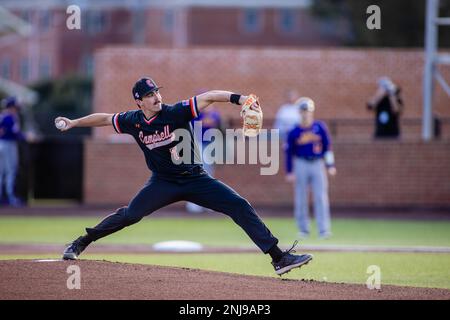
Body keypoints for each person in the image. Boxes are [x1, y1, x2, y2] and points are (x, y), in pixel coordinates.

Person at [56, 77, 313, 276]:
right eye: (149, 95)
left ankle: (279, 258)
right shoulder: (133, 120)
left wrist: (240, 98)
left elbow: (210, 96)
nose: (156, 97)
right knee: (131, 214)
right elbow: (104, 118)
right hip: (163, 182)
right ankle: (81, 242)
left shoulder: (175, 112)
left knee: (238, 205)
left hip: (195, 179)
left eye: (156, 91)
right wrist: (74, 123)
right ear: (139, 102)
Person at [285, 97, 336, 239]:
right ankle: (303, 229)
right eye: (302, 111)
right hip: (301, 163)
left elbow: (328, 148)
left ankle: (324, 229)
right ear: (299, 112)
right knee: (301, 197)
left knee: (320, 197)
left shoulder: (320, 127)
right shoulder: (294, 131)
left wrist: (330, 165)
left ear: (311, 112)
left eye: (307, 111)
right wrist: (289, 171)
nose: (305, 113)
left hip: (317, 163)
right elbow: (288, 153)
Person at [185, 104, 222, 213]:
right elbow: (203, 122)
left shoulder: (214, 113)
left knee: (208, 175)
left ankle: (208, 203)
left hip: (210, 146)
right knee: (196, 174)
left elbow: (216, 121)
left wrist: (209, 114)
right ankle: (194, 204)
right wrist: (206, 115)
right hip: (197, 146)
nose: (206, 106)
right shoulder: (194, 115)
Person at [0, 97, 24, 207]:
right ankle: (10, 197)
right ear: (12, 107)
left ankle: (2, 197)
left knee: (2, 172)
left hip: (1, 143)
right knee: (11, 171)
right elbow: (14, 133)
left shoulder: (2, 116)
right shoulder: (10, 117)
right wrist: (26, 136)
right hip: (8, 144)